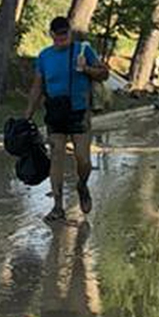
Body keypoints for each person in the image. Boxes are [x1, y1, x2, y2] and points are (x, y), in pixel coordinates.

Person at [27, 15, 109, 221]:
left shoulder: (83, 49)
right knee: (56, 157)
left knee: (83, 159)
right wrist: (27, 116)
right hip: (55, 112)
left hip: (79, 111)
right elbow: (38, 86)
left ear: (70, 33)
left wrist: (87, 68)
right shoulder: (44, 56)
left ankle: (82, 184)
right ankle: (57, 206)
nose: (63, 39)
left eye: (66, 35)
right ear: (51, 35)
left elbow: (104, 74)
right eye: (59, 36)